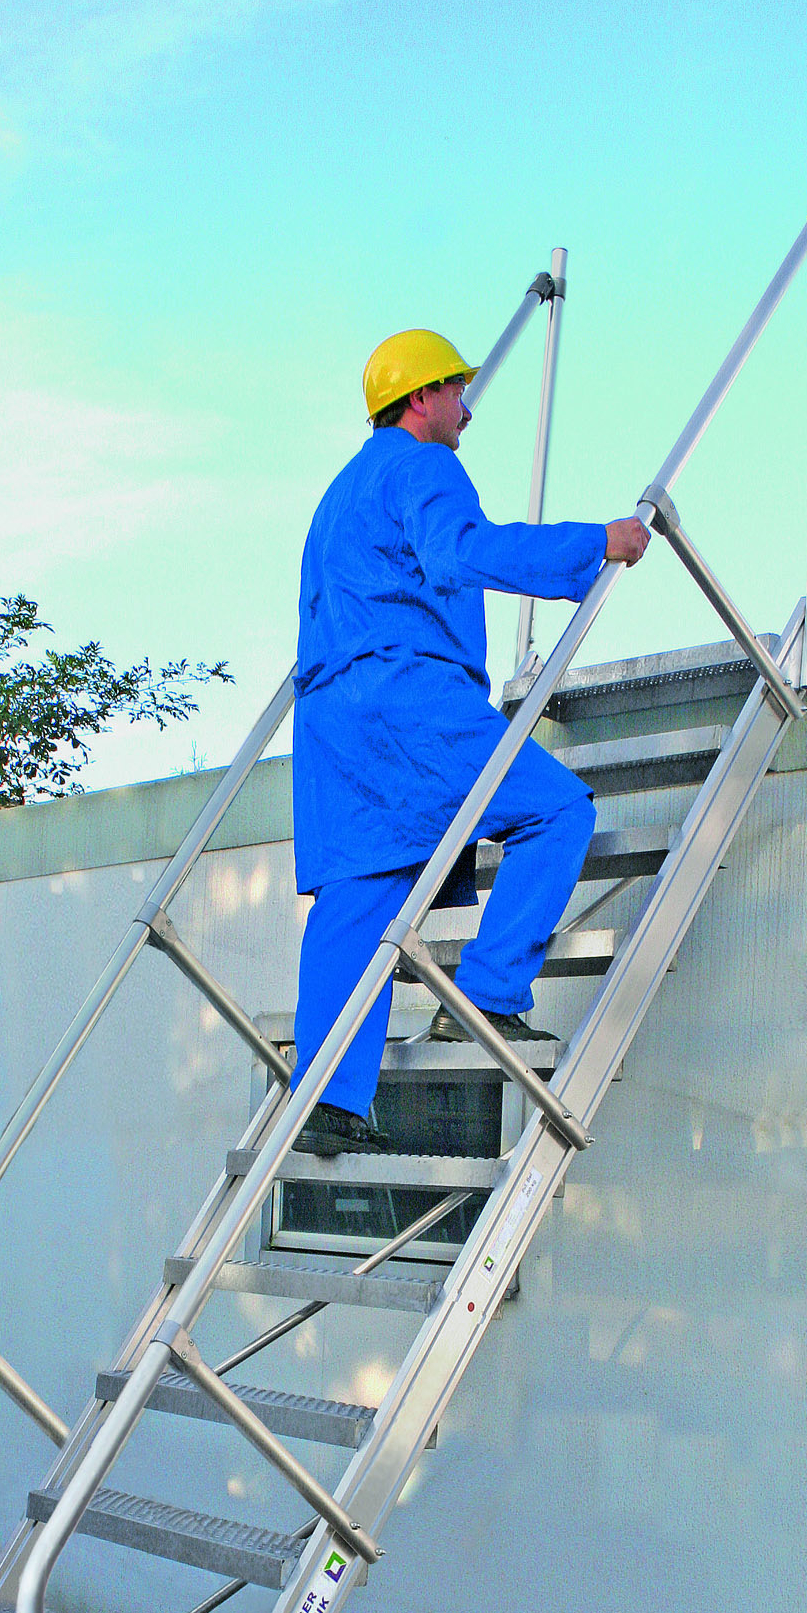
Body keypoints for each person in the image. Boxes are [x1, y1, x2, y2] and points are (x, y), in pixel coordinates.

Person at [290, 326, 650, 1155]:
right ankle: (488, 992)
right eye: (457, 389)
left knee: (361, 892)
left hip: (333, 720)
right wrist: (596, 542)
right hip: (409, 697)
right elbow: (462, 552)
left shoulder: (339, 494)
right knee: (556, 812)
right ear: (421, 397)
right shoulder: (421, 465)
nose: (467, 408)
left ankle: (330, 1096)